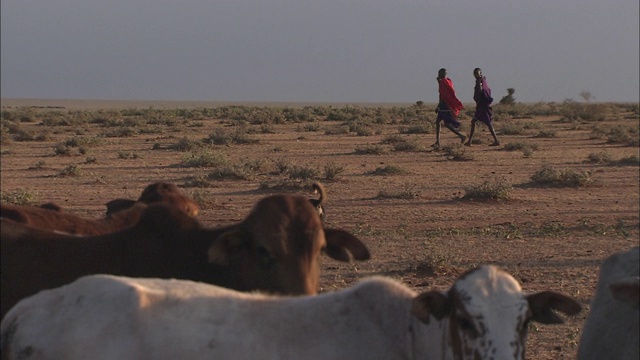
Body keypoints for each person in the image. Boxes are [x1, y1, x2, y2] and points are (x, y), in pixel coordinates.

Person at [465, 68, 500, 146]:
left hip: (482, 107)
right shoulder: (482, 81)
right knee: (484, 123)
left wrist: (478, 99)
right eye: (475, 73)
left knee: (483, 123)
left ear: (480, 73)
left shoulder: (479, 81)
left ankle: (470, 141)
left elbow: (481, 91)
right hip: (482, 106)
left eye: (477, 73)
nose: (475, 74)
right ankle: (469, 141)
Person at [433, 68, 466, 148]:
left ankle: (461, 136)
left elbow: (442, 95)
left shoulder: (443, 82)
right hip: (444, 104)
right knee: (438, 122)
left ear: (441, 74)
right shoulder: (447, 81)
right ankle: (437, 141)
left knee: (447, 124)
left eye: (439, 73)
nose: (438, 74)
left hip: (444, 105)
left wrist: (439, 106)